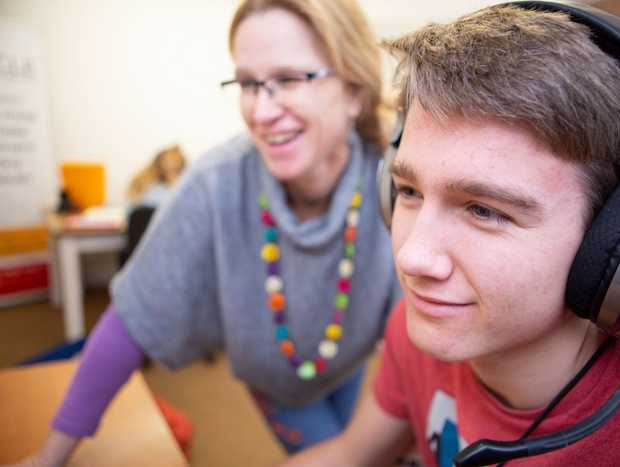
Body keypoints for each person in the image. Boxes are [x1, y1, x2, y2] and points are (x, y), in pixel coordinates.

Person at [283, 3, 620, 467]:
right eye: (408, 191)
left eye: (484, 210)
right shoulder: (419, 325)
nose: (413, 258)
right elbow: (352, 454)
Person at [10, 0, 401, 465]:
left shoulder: (395, 175)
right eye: (248, 84)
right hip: (278, 383)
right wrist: (49, 456)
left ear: (355, 90)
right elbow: (133, 317)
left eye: (290, 79)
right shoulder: (216, 183)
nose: (260, 111)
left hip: (348, 364)